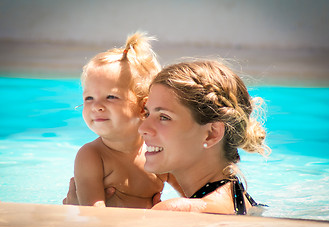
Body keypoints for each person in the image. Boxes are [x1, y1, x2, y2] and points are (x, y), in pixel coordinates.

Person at [139, 59, 270, 214]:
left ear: (211, 133)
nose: (143, 128)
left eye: (164, 117)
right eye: (147, 114)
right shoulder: (245, 203)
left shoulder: (177, 212)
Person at [63, 32, 167, 208]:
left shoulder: (158, 152)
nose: (96, 106)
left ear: (144, 107)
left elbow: (195, 196)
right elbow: (94, 216)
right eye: (89, 98)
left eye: (111, 96)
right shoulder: (92, 156)